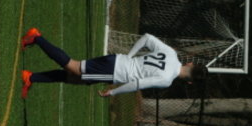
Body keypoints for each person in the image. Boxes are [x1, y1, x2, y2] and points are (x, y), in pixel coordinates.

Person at [20, 28, 207, 98]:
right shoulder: (167, 80)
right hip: (113, 71)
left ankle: (31, 78)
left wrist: (130, 56)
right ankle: (36, 38)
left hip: (117, 61)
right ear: (189, 82)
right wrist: (114, 92)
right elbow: (137, 84)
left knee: (75, 79)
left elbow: (147, 37)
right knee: (73, 67)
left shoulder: (172, 54)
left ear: (190, 64)